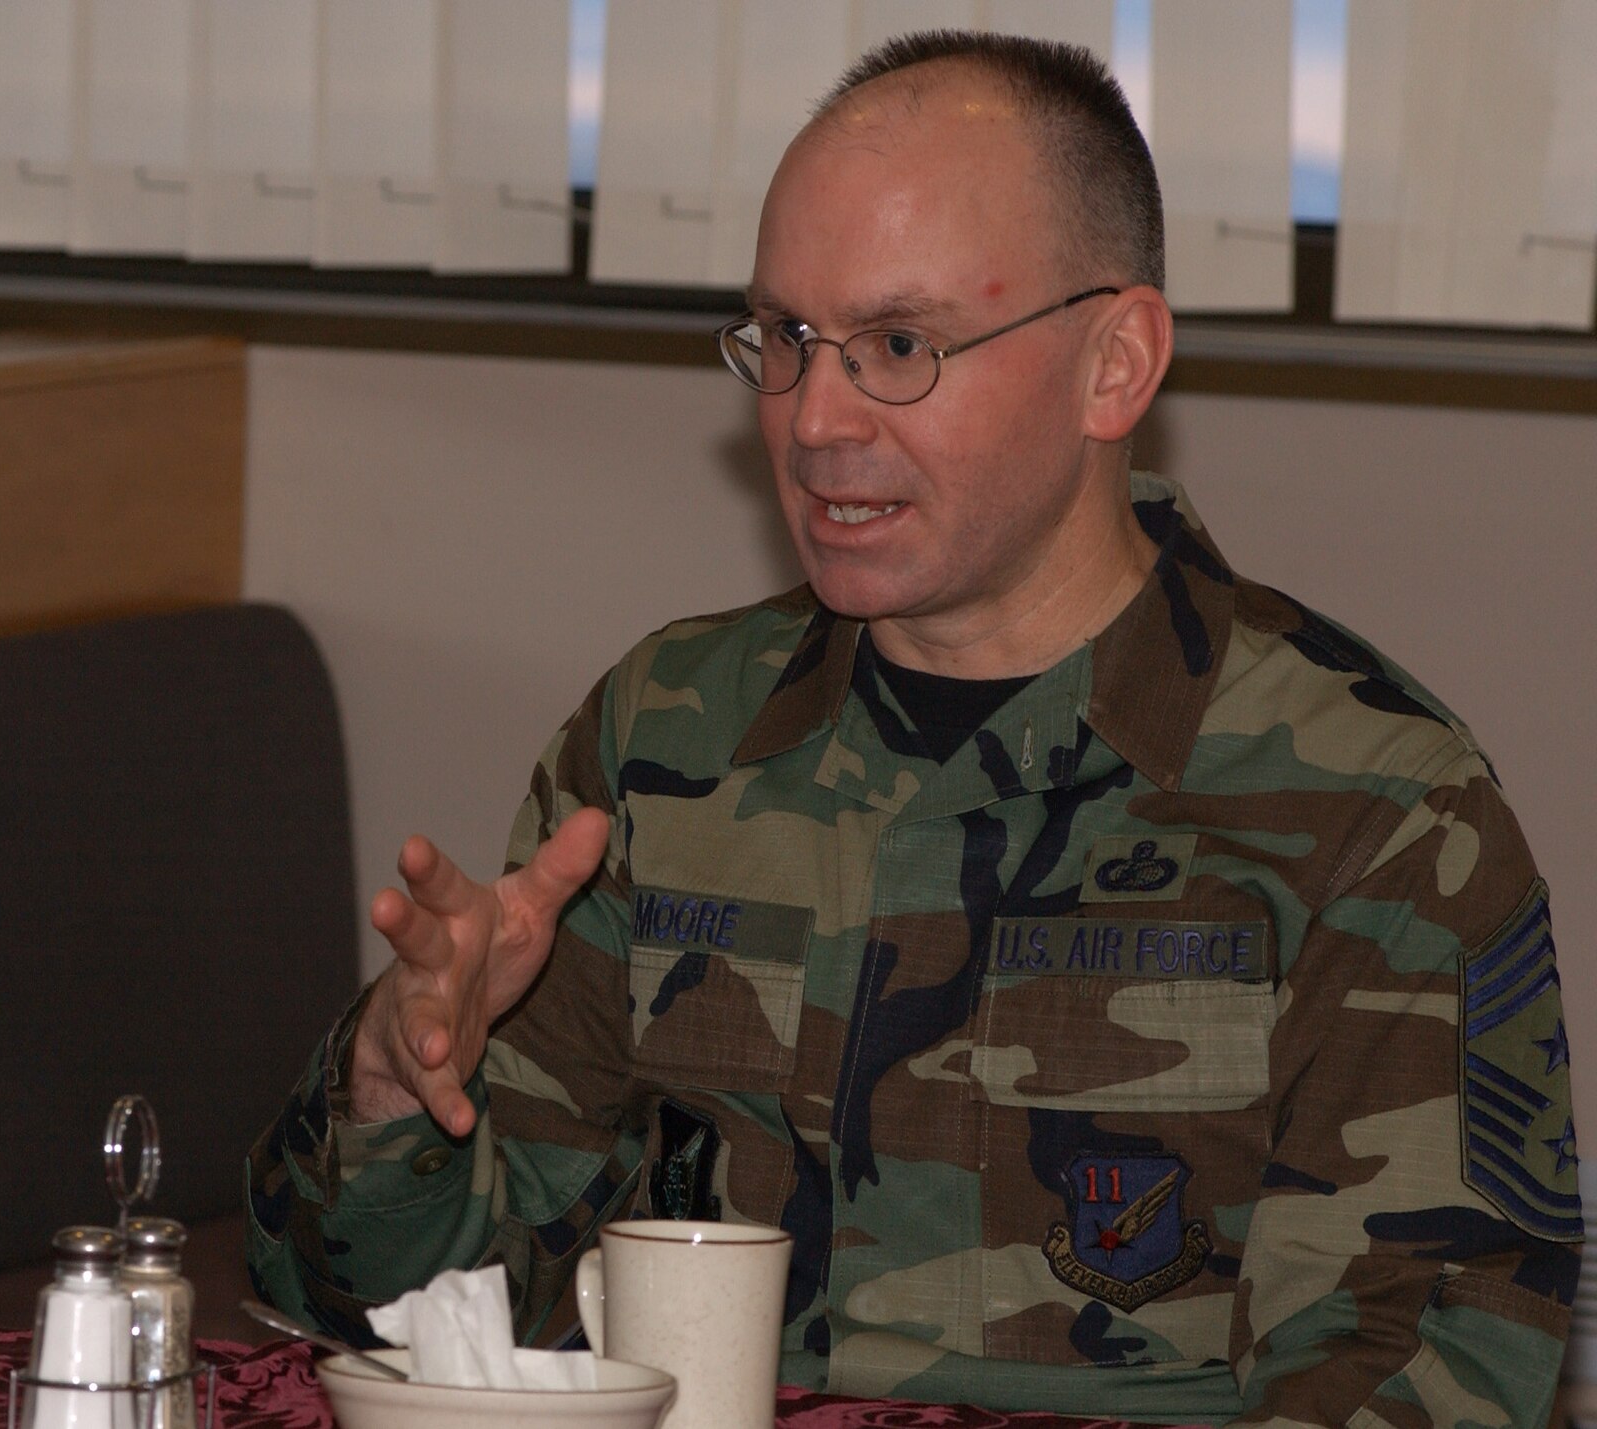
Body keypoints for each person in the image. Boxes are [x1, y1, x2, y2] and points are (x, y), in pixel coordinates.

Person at [245, 29, 1579, 1426]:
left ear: (1114, 364)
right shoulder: (671, 743)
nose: (815, 417)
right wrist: (395, 1097)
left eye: (897, 346)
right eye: (786, 339)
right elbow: (411, 1329)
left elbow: (1428, 1369)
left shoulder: (1373, 807)